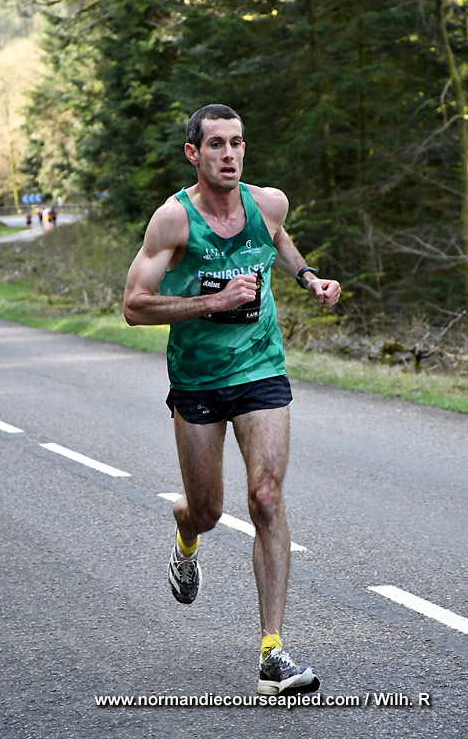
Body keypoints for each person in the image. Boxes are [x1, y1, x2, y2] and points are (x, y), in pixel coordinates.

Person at [123, 104, 341, 696]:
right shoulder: (173, 220)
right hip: (197, 378)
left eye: (237, 143)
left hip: (260, 366)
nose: (229, 154)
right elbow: (134, 306)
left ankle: (272, 651)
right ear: (193, 153)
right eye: (216, 144)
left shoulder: (268, 203)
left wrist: (309, 278)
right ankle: (186, 535)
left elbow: (277, 240)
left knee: (266, 498)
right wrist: (212, 303)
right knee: (208, 511)